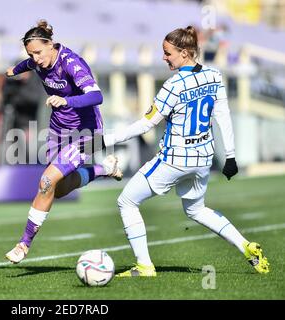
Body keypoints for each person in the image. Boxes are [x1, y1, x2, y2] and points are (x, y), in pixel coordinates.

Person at [100, 26, 269, 276]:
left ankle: (145, 266)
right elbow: (223, 116)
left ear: (185, 53)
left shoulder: (173, 85)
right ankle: (245, 246)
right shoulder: (214, 75)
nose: (164, 57)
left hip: (174, 159)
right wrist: (231, 156)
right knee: (196, 210)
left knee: (126, 201)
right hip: (202, 159)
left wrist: (109, 139)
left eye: (168, 53)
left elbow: (148, 123)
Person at [5, 20, 122, 263]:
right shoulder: (37, 61)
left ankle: (23, 244)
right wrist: (13, 71)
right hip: (59, 130)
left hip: (86, 132)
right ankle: (104, 169)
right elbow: (27, 64)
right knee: (57, 189)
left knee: (46, 181)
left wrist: (66, 101)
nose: (35, 58)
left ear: (51, 45)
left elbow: (96, 96)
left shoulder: (71, 63)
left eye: (38, 52)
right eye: (31, 54)